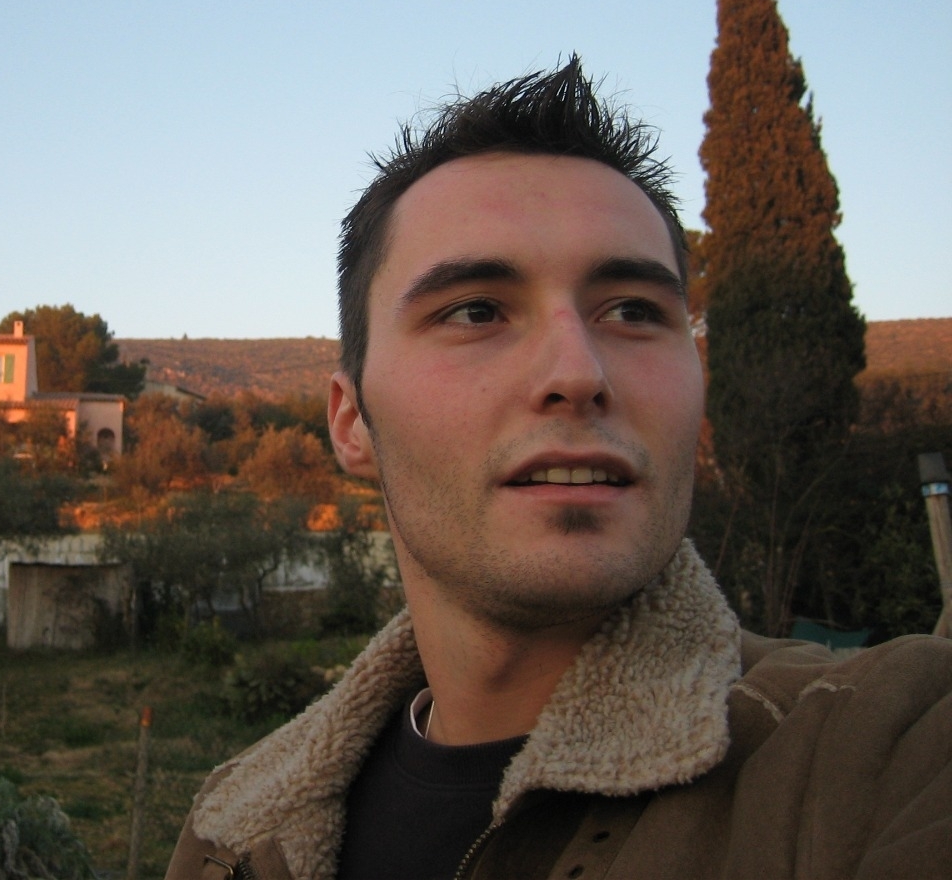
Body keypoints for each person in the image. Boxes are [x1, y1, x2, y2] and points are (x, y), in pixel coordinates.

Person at [166, 60, 952, 880]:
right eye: (476, 311)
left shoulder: (890, 753)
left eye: (634, 311)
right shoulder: (232, 836)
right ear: (352, 420)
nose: (579, 372)